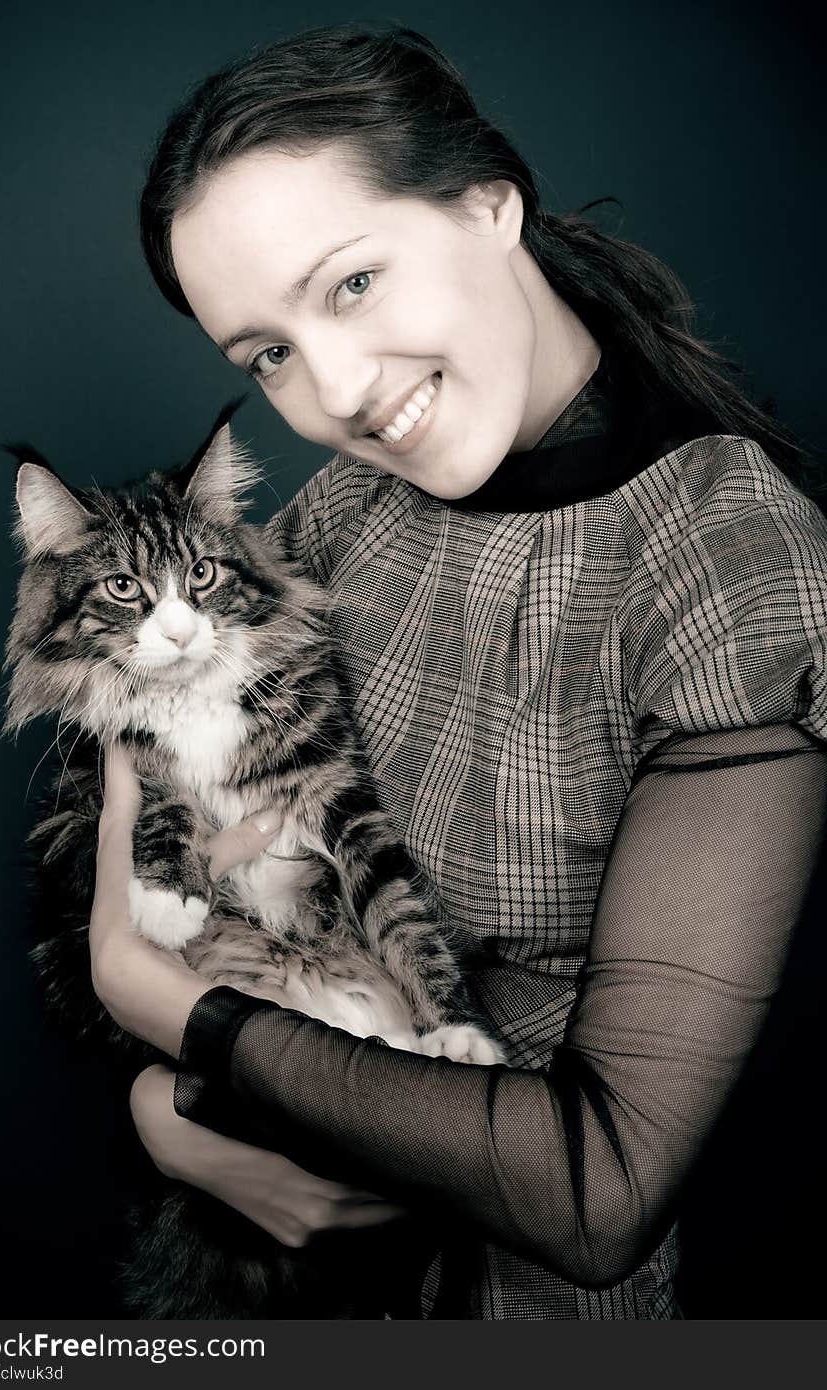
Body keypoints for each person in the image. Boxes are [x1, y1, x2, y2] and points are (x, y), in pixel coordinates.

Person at [88, 24, 827, 1318]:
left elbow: (602, 1191)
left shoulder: (729, 558)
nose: (337, 393)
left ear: (490, 202)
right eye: (265, 352)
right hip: (284, 1290)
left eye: (352, 284)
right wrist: (166, 1110)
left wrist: (172, 1016)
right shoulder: (338, 520)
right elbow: (167, 792)